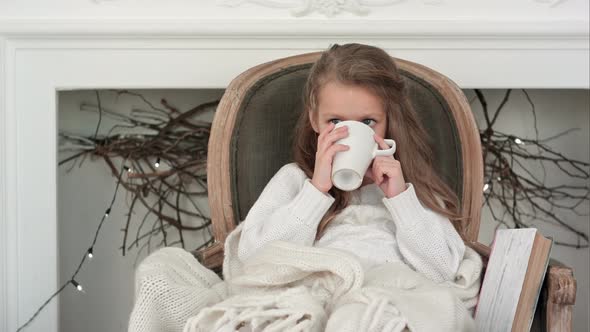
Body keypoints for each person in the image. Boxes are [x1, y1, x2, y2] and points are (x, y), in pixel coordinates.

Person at [237, 43, 466, 283]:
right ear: (314, 119)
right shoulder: (294, 180)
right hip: (316, 295)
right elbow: (253, 261)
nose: (348, 135)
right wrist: (314, 192)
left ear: (389, 121)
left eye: (367, 122)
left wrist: (401, 200)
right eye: (335, 121)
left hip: (387, 299)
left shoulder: (412, 187)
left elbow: (443, 272)